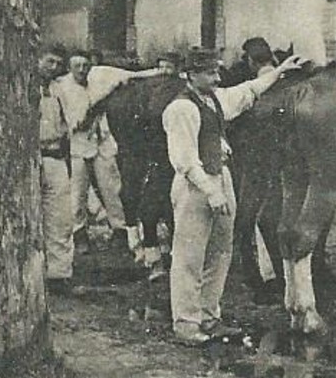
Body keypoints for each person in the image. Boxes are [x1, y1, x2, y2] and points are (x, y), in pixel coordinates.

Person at [161, 47, 304, 345]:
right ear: (190, 75)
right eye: (209, 73)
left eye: (216, 72)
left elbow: (247, 91)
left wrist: (279, 72)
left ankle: (209, 317)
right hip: (196, 186)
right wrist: (211, 190)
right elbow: (184, 159)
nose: (216, 78)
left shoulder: (213, 100)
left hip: (221, 176)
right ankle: (186, 323)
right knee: (190, 256)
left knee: (220, 251)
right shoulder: (181, 109)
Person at [53, 51, 158, 253]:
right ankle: (79, 232)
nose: (82, 70)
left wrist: (158, 71)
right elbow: (73, 121)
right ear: (69, 67)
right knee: (77, 192)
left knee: (111, 186)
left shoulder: (99, 77)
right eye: (77, 66)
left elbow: (129, 75)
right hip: (78, 144)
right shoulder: (62, 87)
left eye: (85, 66)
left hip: (103, 142)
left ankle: (119, 230)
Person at [38, 47, 76, 294]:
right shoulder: (21, 86)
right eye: (49, 61)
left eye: (58, 64)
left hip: (55, 157)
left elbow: (68, 125)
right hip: (30, 158)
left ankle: (58, 274)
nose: (53, 67)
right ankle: (31, 272)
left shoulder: (59, 90)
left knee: (61, 218)